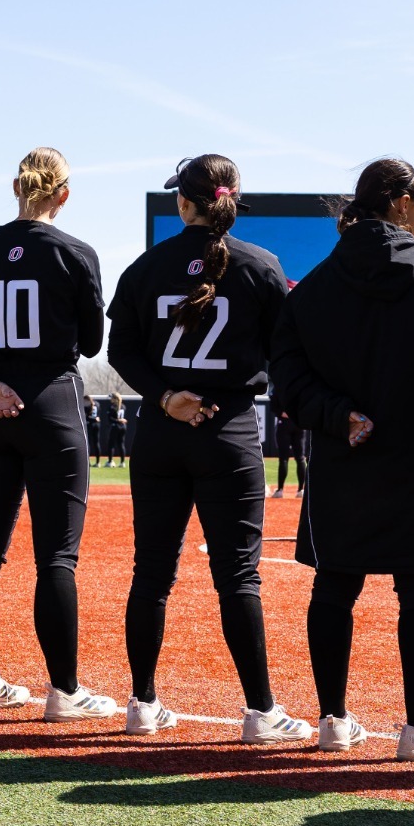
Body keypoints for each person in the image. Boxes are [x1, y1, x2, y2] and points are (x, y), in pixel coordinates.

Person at [271, 158, 414, 760]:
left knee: (335, 586)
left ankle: (333, 720)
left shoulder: (312, 287)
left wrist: (339, 414)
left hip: (344, 454)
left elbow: (287, 376)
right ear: (403, 201)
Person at [107, 154, 313, 743]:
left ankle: (143, 702)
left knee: (152, 573)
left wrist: (167, 394)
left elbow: (121, 351)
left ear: (184, 202)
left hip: (162, 431)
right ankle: (260, 711)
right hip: (230, 431)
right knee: (238, 578)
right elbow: (287, 351)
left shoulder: (147, 266)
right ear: (232, 201)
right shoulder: (260, 265)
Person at [0, 147, 115, 720]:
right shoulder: (74, 252)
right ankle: (64, 692)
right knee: (56, 559)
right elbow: (91, 343)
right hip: (52, 404)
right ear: (62, 194)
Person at [271, 408, 306, 498]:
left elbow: (273, 406)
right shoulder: (300, 393)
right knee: (300, 458)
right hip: (299, 423)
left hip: (285, 423)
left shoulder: (279, 393)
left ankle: (280, 490)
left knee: (284, 458)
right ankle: (301, 490)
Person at [83, 390, 102, 468]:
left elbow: (86, 416)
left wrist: (92, 419)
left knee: (88, 443)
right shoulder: (97, 404)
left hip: (90, 425)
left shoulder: (86, 405)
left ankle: (88, 462)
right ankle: (98, 462)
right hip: (97, 424)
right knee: (96, 443)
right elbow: (98, 415)